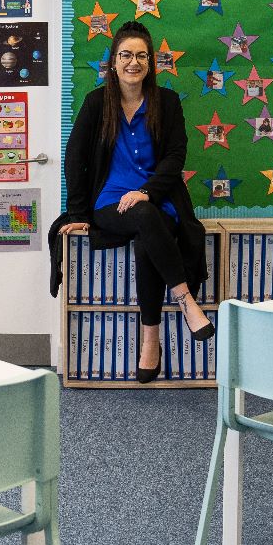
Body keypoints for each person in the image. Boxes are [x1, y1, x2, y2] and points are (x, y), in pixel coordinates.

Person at [49, 20, 213, 383]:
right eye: (126, 55)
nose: (133, 62)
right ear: (113, 61)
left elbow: (175, 155)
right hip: (110, 200)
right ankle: (186, 300)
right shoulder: (97, 102)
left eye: (141, 55)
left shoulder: (166, 102)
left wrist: (149, 191)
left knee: (147, 228)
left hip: (158, 197)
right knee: (144, 218)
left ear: (151, 62)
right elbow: (75, 156)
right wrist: (77, 212)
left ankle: (149, 341)